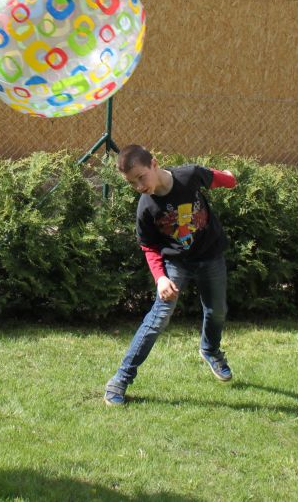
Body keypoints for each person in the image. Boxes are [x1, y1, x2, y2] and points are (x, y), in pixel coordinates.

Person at [104, 144, 238, 406]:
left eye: (141, 177)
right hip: (177, 264)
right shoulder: (146, 207)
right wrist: (160, 278)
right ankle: (120, 379)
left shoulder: (189, 176)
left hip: (210, 257)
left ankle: (210, 350)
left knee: (217, 310)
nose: (139, 186)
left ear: (154, 163)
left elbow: (216, 177)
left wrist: (230, 179)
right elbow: (149, 246)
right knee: (158, 318)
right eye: (132, 183)